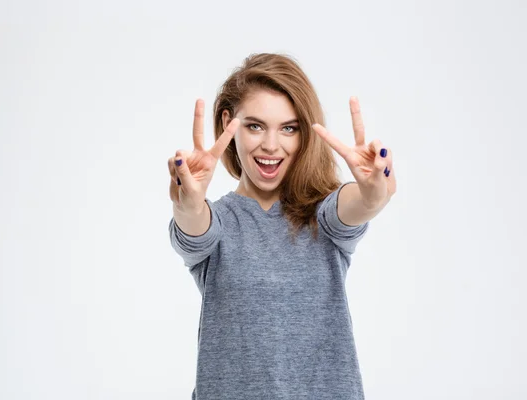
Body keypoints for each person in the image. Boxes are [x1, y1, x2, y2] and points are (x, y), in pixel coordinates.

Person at [167, 53, 396, 400]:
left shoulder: (323, 216)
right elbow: (194, 226)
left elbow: (362, 203)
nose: (271, 145)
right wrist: (188, 201)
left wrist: (375, 188)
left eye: (288, 128)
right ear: (229, 123)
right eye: (255, 126)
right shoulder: (220, 223)